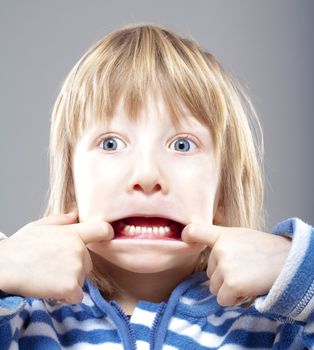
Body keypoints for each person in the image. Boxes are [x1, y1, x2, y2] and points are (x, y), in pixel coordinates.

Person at [0, 23, 313, 349]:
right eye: (110, 143)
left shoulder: (275, 327)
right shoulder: (22, 321)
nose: (147, 175)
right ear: (71, 188)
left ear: (222, 190)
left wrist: (289, 264)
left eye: (182, 145)